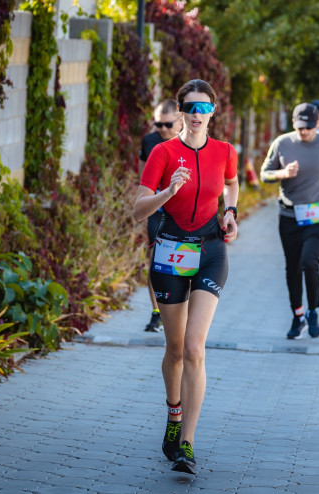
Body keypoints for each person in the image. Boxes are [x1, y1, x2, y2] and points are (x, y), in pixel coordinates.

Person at [133, 79, 239, 475]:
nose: (198, 115)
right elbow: (137, 210)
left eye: (205, 108)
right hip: (171, 252)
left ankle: (187, 445)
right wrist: (167, 192)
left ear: (213, 112)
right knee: (175, 349)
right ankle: (173, 415)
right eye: (191, 108)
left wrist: (230, 213)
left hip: (211, 251)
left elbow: (231, 182)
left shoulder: (225, 151)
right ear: (180, 112)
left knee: (195, 347)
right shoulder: (162, 152)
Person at [260, 103, 319, 340]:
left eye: (309, 128)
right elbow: (264, 174)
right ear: (293, 124)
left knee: (309, 261)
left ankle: (313, 311)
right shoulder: (282, 143)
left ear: (317, 123)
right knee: (292, 267)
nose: (305, 132)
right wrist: (282, 173)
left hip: (318, 215)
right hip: (289, 215)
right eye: (300, 128)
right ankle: (297, 316)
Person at [138, 99, 183, 332]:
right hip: (158, 209)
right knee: (156, 260)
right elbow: (142, 177)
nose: (163, 129)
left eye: (167, 124)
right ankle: (157, 313)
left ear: (180, 120)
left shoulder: (190, 142)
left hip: (184, 211)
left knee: (184, 260)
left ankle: (178, 310)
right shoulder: (150, 141)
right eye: (158, 124)